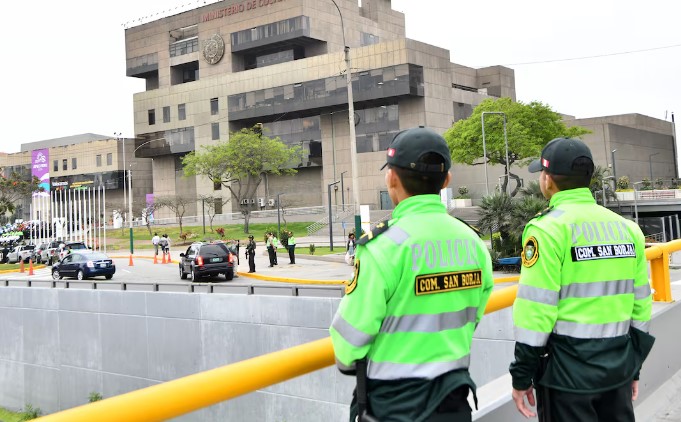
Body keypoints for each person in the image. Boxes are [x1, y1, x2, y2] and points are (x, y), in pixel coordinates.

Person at [329, 126, 494, 421]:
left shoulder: (382, 246)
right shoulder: (473, 242)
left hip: (395, 406)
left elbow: (349, 344)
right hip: (454, 401)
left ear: (391, 178)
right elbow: (473, 314)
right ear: (447, 180)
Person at [509, 137, 655, 422]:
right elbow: (641, 305)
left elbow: (536, 311)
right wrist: (633, 368)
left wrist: (522, 375)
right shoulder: (627, 229)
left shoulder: (547, 229)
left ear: (548, 180)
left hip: (566, 377)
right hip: (617, 369)